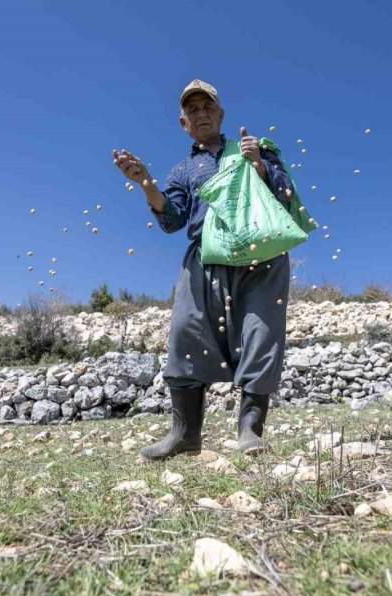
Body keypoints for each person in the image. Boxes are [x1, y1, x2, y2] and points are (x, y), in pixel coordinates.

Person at [112, 79, 296, 459]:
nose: (201, 113)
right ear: (184, 123)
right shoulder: (182, 170)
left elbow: (285, 194)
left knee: (261, 333)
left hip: (261, 257)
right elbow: (172, 220)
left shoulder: (252, 149)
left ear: (221, 113)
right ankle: (185, 434)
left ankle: (250, 430)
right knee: (186, 332)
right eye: (192, 109)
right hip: (205, 258)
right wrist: (147, 185)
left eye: (207, 106)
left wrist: (259, 166)